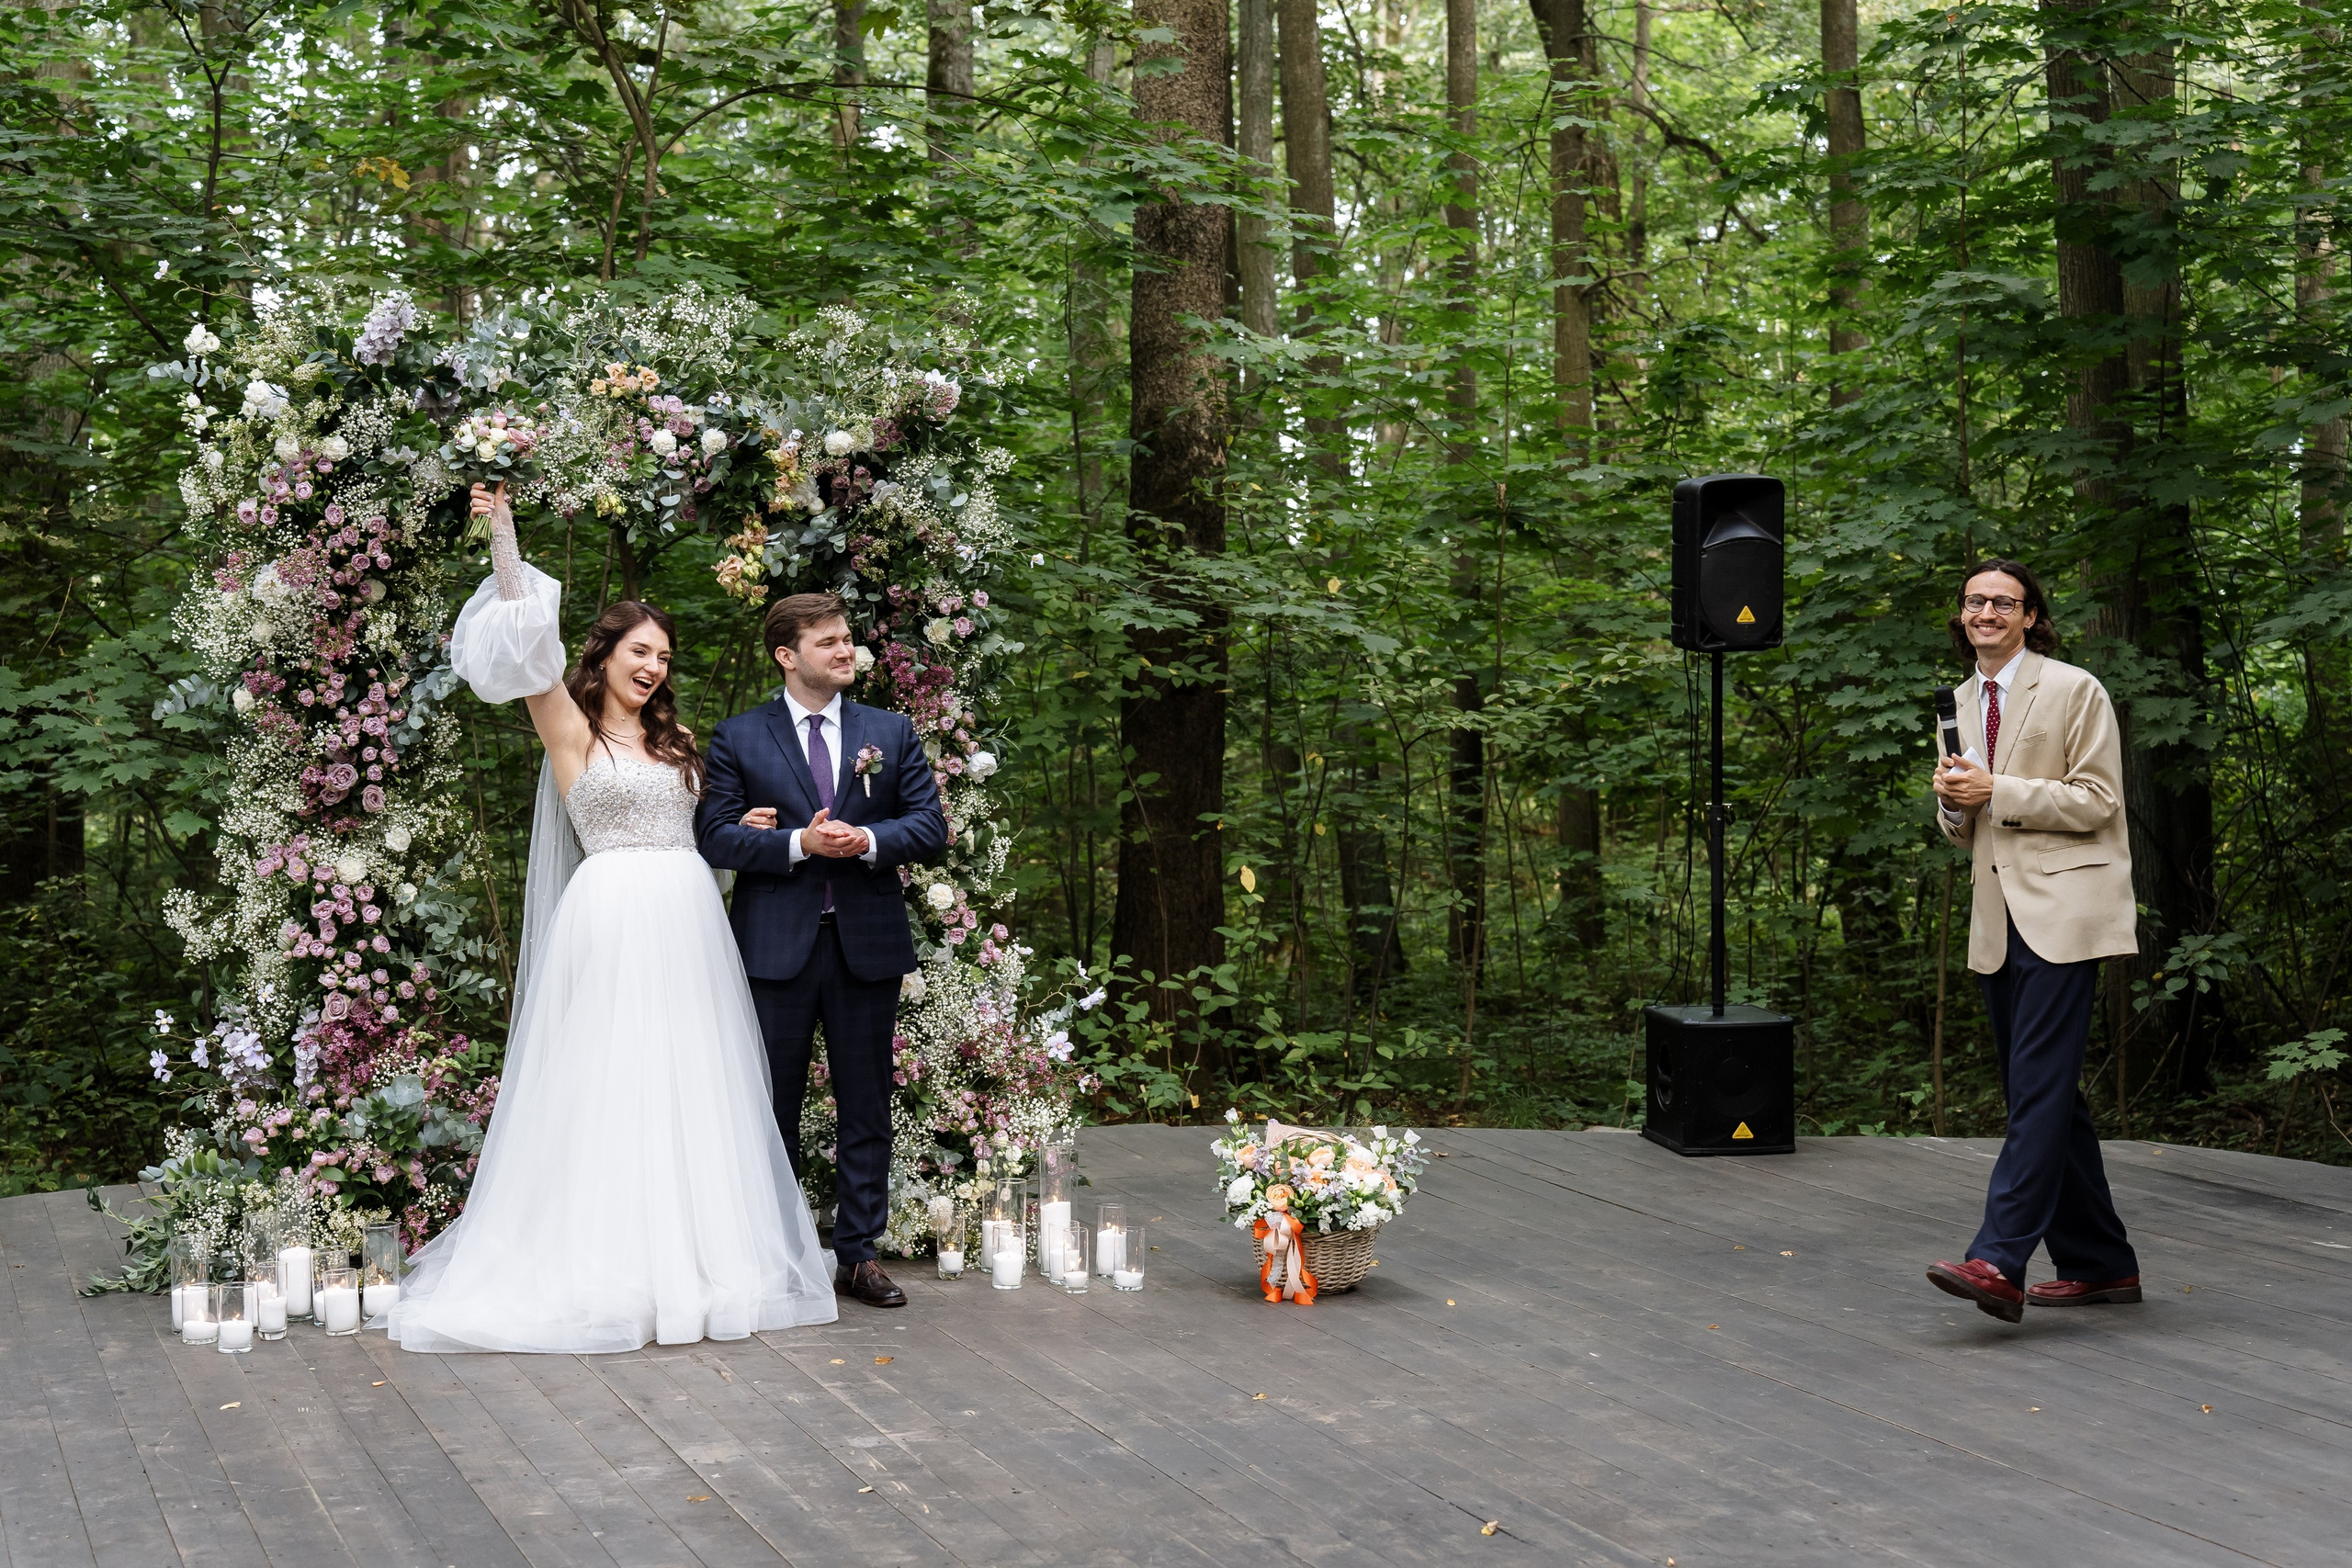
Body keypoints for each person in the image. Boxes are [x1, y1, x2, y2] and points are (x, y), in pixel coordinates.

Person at [388, 484, 837, 1353]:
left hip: (686, 915)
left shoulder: (676, 743)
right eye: (640, 650)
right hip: (612, 913)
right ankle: (609, 1265)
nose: (654, 666)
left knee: (689, 1078)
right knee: (610, 1076)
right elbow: (522, 630)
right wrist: (503, 534)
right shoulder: (566, 725)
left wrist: (729, 831)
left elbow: (692, 829)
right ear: (606, 654)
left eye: (664, 656)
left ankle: (699, 1260)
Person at [695, 592, 947, 1309]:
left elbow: (929, 828)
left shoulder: (889, 731)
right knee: (768, 1107)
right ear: (787, 654)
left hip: (866, 943)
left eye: (848, 640)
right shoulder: (740, 737)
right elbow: (713, 836)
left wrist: (865, 839)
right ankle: (772, 1254)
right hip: (775, 948)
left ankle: (859, 1255)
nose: (847, 651)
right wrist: (794, 842)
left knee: (866, 1103)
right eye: (830, 642)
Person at [1925, 559, 2143, 1324]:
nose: (1986, 611)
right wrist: (1953, 804)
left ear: (2030, 616)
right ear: (1962, 616)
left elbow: (2099, 799)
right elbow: (1964, 828)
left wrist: (1997, 791)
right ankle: (2101, 1264)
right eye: (1975, 601)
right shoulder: (1958, 700)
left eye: (2003, 602)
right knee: (2041, 1093)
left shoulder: (2074, 688)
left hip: (2065, 909)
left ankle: (1999, 1258)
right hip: (1998, 917)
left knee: (2040, 1088)